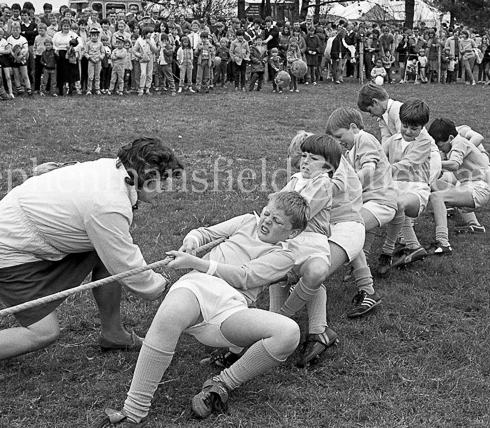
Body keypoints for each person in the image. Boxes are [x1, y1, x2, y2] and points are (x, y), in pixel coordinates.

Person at [0, 138, 184, 407]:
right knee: (43, 332)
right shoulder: (108, 204)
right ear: (139, 175)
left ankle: (113, 334)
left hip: (35, 237)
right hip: (5, 248)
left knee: (106, 256)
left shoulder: (112, 169)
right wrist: (165, 284)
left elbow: (117, 258)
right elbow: (129, 267)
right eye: (161, 180)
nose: (167, 187)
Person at [93, 191, 310, 426]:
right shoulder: (247, 221)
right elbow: (204, 233)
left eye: (277, 221)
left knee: (289, 332)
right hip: (198, 285)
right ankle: (134, 412)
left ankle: (222, 383)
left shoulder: (285, 255)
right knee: (169, 316)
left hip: (232, 307)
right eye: (267, 213)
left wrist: (195, 262)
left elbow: (244, 276)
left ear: (293, 232)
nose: (266, 221)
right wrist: (192, 242)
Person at [268, 135, 336, 365]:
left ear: (327, 166)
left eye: (313, 158)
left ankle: (282, 317)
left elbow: (297, 213)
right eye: (304, 156)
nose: (305, 161)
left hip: (311, 244)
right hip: (289, 240)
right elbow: (275, 205)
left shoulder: (324, 184)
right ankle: (283, 326)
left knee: (315, 273)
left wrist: (278, 206)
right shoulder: (296, 179)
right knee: (275, 272)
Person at [326, 107, 394, 317]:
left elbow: (368, 169)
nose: (338, 142)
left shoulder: (364, 139)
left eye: (340, 136)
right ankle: (360, 273)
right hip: (367, 202)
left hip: (381, 202)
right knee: (348, 229)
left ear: (353, 127)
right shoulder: (350, 149)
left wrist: (348, 184)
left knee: (349, 231)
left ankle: (368, 290)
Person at [377, 99, 436, 276]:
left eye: (414, 128)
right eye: (405, 126)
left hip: (416, 190)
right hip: (395, 187)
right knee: (383, 204)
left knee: (398, 204)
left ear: (422, 127)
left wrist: (384, 170)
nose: (408, 131)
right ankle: (413, 247)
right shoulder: (393, 140)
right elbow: (377, 156)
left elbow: (409, 164)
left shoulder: (425, 142)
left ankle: (387, 252)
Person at [425, 119, 490, 255]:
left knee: (437, 197)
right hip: (468, 187)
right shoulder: (452, 145)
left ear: (450, 138)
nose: (440, 149)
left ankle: (443, 243)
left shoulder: (459, 142)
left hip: (478, 189)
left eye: (441, 145)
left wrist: (434, 163)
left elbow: (454, 164)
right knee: (433, 183)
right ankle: (475, 225)